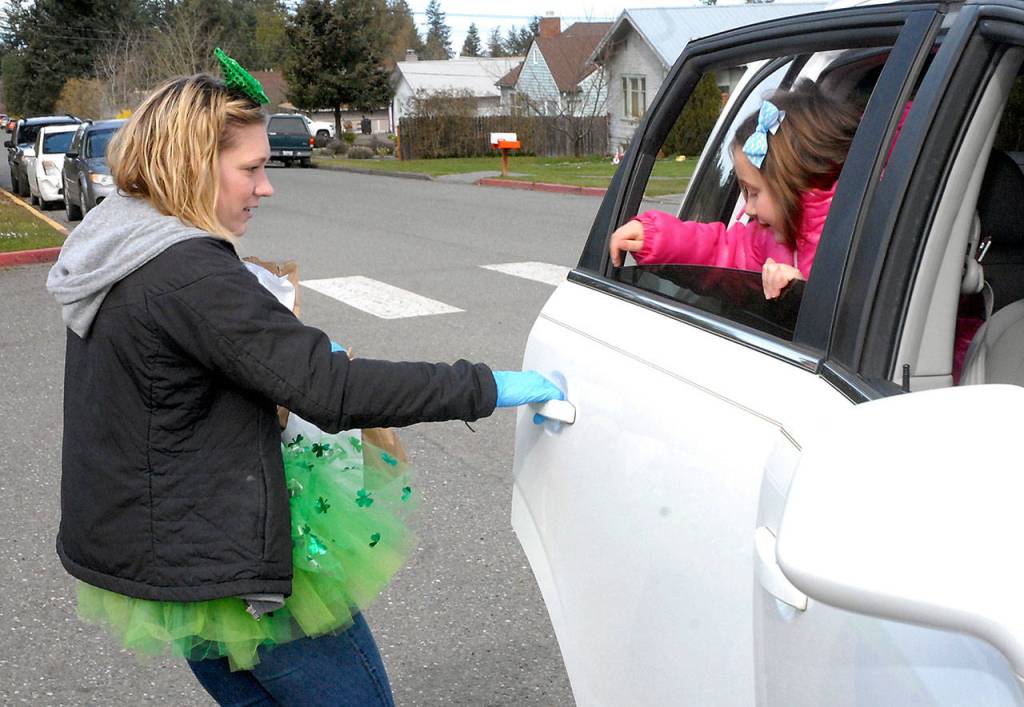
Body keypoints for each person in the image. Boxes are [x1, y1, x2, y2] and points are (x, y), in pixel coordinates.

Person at [45, 52, 563, 707]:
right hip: (229, 569)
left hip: (171, 565)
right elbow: (333, 391)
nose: (266, 187)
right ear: (193, 165)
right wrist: (487, 385)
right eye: (252, 168)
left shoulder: (115, 247)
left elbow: (166, 388)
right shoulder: (191, 275)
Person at [609, 80, 860, 299]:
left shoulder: (860, 234)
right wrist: (657, 238)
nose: (748, 209)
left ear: (794, 182)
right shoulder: (766, 238)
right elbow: (723, 254)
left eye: (754, 193)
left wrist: (805, 293)